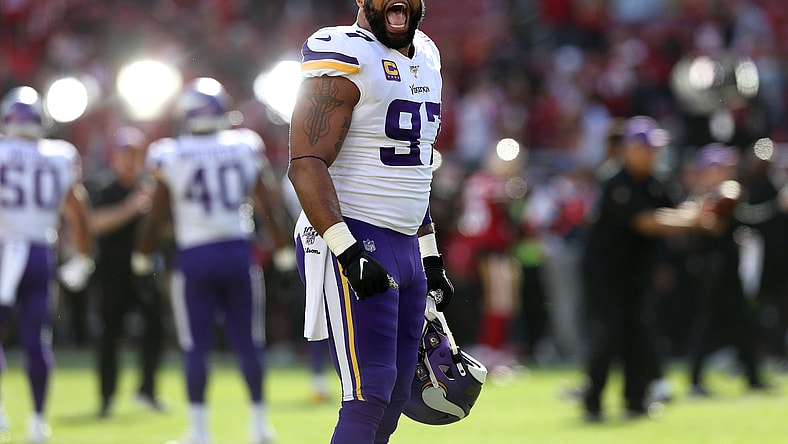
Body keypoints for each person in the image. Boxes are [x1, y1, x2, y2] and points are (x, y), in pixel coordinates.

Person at [287, 0, 455, 442]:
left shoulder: (428, 54)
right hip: (352, 233)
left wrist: (430, 253)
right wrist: (347, 249)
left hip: (404, 243)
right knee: (369, 390)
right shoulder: (343, 50)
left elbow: (411, 171)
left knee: (399, 392)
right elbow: (304, 162)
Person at [133, 77, 291, 444]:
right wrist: (283, 255)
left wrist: (141, 260)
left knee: (195, 345)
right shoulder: (243, 146)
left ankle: (200, 432)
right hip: (238, 252)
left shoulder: (170, 152)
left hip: (195, 257)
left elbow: (156, 217)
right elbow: (270, 206)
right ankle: (259, 425)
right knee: (248, 341)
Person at [580, 116, 718, 421]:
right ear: (628, 148)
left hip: (636, 274)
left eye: (655, 148)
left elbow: (675, 210)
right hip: (606, 275)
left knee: (638, 334)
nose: (652, 154)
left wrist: (703, 209)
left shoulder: (654, 182)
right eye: (646, 148)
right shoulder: (616, 182)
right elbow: (647, 221)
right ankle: (592, 401)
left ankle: (636, 399)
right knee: (608, 335)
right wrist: (694, 220)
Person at [0, 86, 94, 443]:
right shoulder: (58, 155)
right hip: (41, 253)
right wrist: (83, 256)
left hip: (4, 250)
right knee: (36, 339)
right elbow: (77, 209)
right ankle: (38, 422)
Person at [87, 125, 165, 417]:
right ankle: (106, 397)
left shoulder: (150, 188)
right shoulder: (102, 187)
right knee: (109, 335)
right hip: (111, 273)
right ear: (114, 157)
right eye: (126, 155)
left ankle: (147, 390)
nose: (131, 161)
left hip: (144, 273)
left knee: (156, 329)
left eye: (136, 155)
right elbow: (94, 223)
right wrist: (132, 208)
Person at [684, 143, 767, 396]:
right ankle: (695, 380)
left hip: (729, 268)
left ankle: (753, 377)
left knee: (742, 322)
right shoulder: (698, 197)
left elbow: (739, 210)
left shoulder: (727, 192)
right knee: (706, 324)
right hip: (708, 269)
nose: (727, 170)